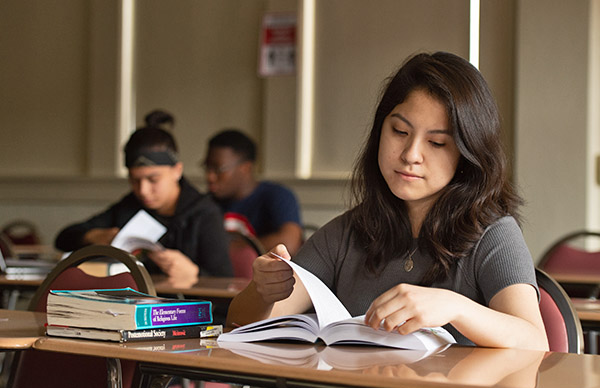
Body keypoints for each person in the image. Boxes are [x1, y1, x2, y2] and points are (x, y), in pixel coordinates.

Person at [226, 52, 549, 351]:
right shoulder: (347, 232)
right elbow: (240, 325)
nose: (410, 155)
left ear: (467, 154)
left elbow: (536, 342)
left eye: (436, 143)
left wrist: (455, 306)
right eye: (399, 131)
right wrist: (261, 290)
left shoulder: (493, 235)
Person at [55, 112, 233, 279]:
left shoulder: (204, 214)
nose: (143, 190)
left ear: (177, 171)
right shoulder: (131, 205)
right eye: (134, 180)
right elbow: (64, 238)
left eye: (153, 179)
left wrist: (194, 273)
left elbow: (227, 284)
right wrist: (93, 237)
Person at [203, 129, 303, 255]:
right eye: (207, 168)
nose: (210, 176)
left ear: (246, 168)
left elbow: (289, 243)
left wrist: (229, 248)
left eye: (218, 169)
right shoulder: (205, 202)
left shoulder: (277, 196)